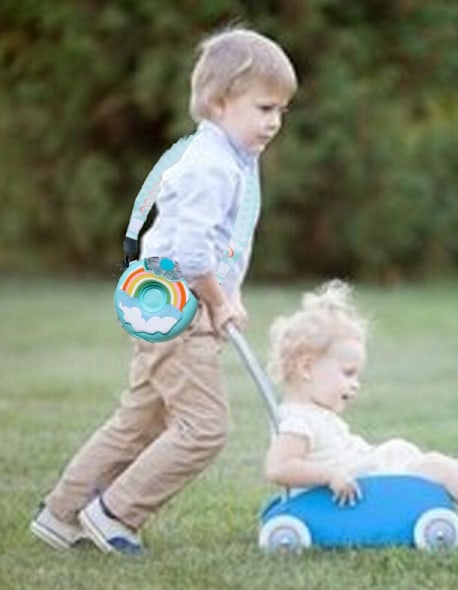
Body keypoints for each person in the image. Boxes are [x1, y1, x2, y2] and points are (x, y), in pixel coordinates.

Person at [30, 27, 297, 554]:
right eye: (264, 108)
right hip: (180, 308)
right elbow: (192, 255)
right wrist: (218, 302)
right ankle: (112, 514)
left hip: (172, 304)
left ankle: (61, 515)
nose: (275, 122)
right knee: (204, 428)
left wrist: (230, 294)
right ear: (219, 103)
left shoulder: (231, 157)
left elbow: (219, 245)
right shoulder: (211, 167)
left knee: (139, 421)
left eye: (282, 111)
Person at [264, 280, 458, 528]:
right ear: (306, 368)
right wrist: (329, 476)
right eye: (348, 373)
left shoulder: (312, 413)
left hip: (364, 476)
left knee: (433, 461)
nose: (355, 383)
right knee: (435, 467)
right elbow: (279, 468)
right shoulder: (297, 421)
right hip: (354, 491)